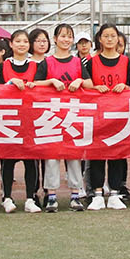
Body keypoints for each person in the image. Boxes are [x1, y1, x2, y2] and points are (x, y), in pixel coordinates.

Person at [84, 23, 130, 210]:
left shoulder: (127, 62)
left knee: (117, 154)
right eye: (106, 36)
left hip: (120, 114)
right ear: (100, 39)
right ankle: (97, 194)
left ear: (118, 38)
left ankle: (114, 193)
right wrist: (95, 87)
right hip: (97, 115)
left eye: (113, 36)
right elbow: (85, 85)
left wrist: (126, 87)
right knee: (97, 153)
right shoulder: (91, 62)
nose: (110, 39)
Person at [0, 29, 46, 213]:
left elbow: (42, 89)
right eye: (18, 41)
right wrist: (10, 83)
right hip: (8, 119)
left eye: (25, 41)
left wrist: (36, 86)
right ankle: (7, 197)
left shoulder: (36, 65)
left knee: (31, 161)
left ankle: (30, 198)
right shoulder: (3, 66)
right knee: (8, 161)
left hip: (30, 119)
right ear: (11, 44)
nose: (21, 44)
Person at [41, 22, 87, 212]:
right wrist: (51, 81)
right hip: (51, 115)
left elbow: (90, 83)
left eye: (69, 36)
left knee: (74, 155)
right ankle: (51, 196)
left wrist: (80, 80)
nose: (66, 40)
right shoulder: (47, 62)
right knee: (51, 156)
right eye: (62, 36)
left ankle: (76, 195)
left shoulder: (77, 62)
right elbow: (34, 84)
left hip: (73, 114)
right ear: (55, 39)